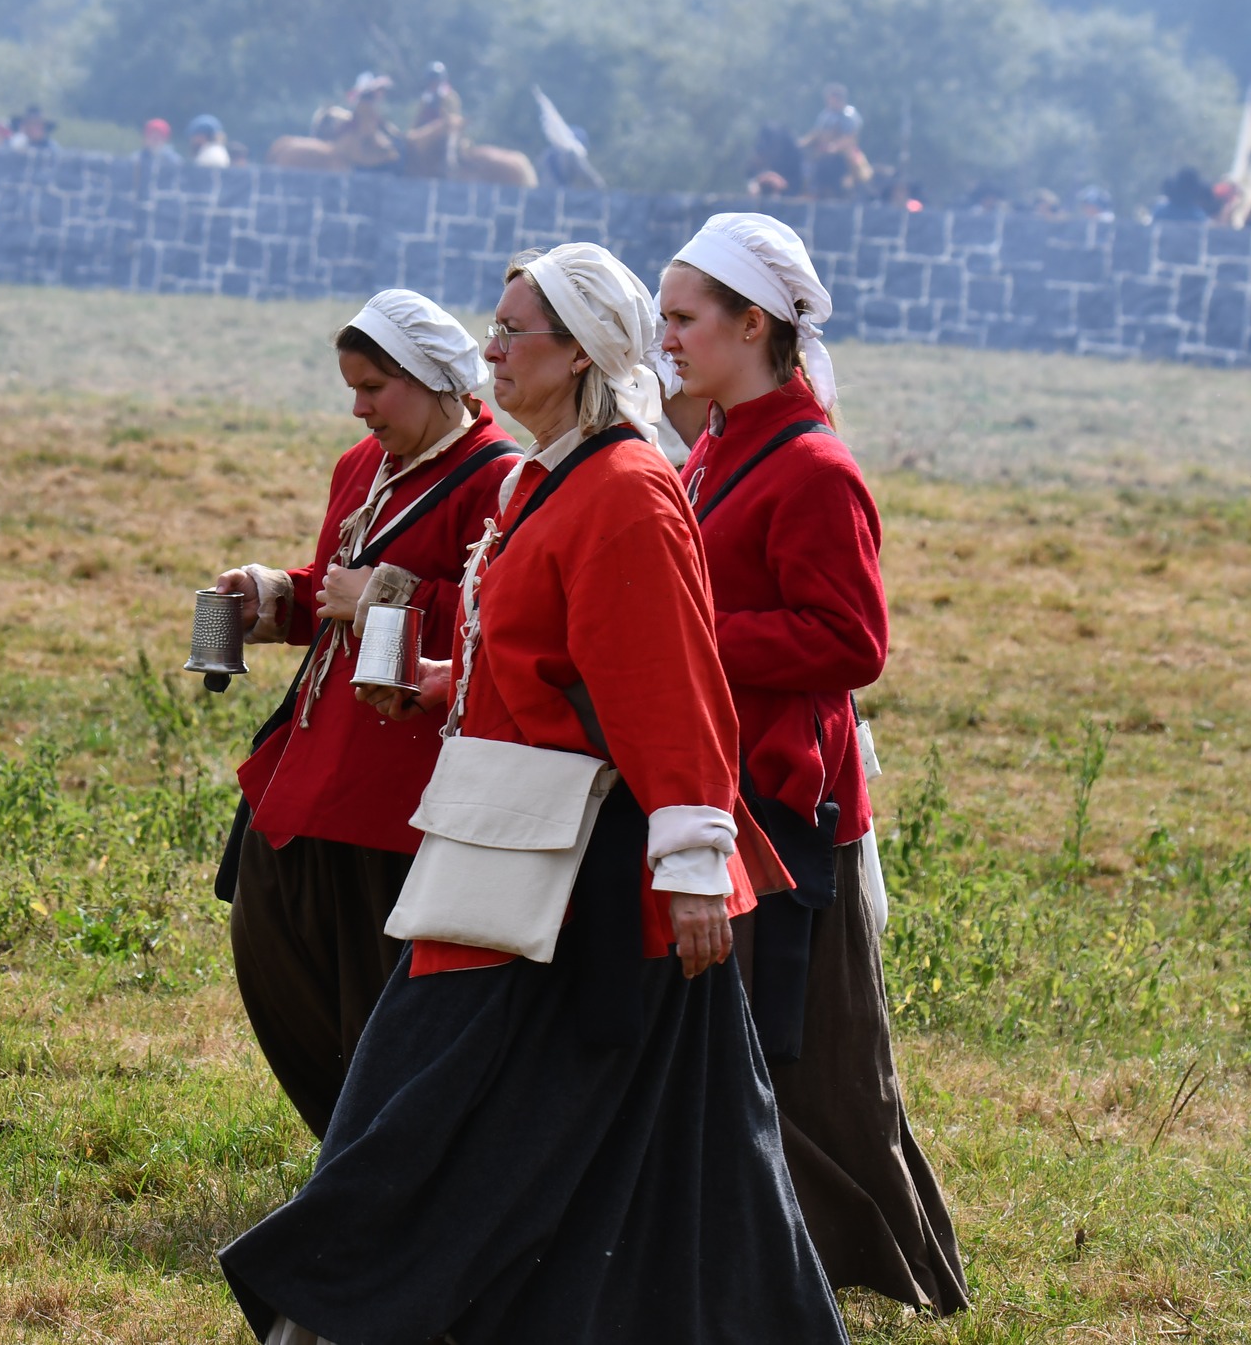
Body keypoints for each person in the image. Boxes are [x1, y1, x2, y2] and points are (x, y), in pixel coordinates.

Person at [219, 242, 843, 1345]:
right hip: (507, 852)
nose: (492, 348)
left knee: (478, 1123)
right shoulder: (543, 479)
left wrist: (695, 867)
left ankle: (338, 1315)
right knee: (598, 1145)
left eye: (515, 331)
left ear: (581, 353)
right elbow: (549, 663)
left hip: (583, 886)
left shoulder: (626, 493)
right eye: (495, 327)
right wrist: (442, 681)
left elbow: (667, 689)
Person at [660, 212, 971, 1314]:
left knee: (812, 1066)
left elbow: (851, 641)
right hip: (728, 782)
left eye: (684, 318)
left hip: (787, 802)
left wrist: (692, 634)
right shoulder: (717, 444)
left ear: (753, 325)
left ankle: (849, 1259)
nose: (665, 338)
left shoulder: (812, 466)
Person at [214, 291, 519, 1139]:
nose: (359, 407)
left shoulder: (500, 478)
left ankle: (387, 1159)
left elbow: (501, 621)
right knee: (277, 958)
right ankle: (350, 1148)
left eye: (376, 387)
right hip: (312, 767)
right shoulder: (362, 465)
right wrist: (274, 597)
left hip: (398, 791)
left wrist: (386, 594)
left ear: (432, 379)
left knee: (378, 992)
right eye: (353, 387)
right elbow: (331, 590)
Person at [800, 83, 867, 200]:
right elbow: (817, 133)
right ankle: (808, 191)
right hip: (824, 150)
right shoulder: (825, 115)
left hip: (845, 151)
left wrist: (835, 147)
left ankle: (854, 188)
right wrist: (802, 143)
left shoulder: (850, 115)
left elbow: (850, 137)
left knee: (856, 166)